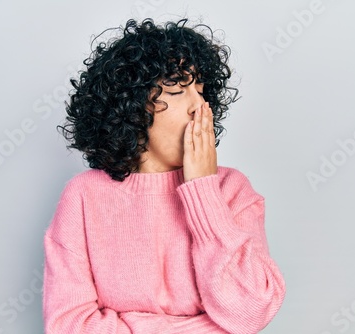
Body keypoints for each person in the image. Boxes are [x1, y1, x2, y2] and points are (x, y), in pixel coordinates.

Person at [43, 17, 285, 333]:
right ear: (131, 104)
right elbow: (68, 325)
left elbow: (251, 312)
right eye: (178, 90)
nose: (200, 107)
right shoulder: (83, 196)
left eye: (201, 91)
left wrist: (203, 191)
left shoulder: (231, 190)